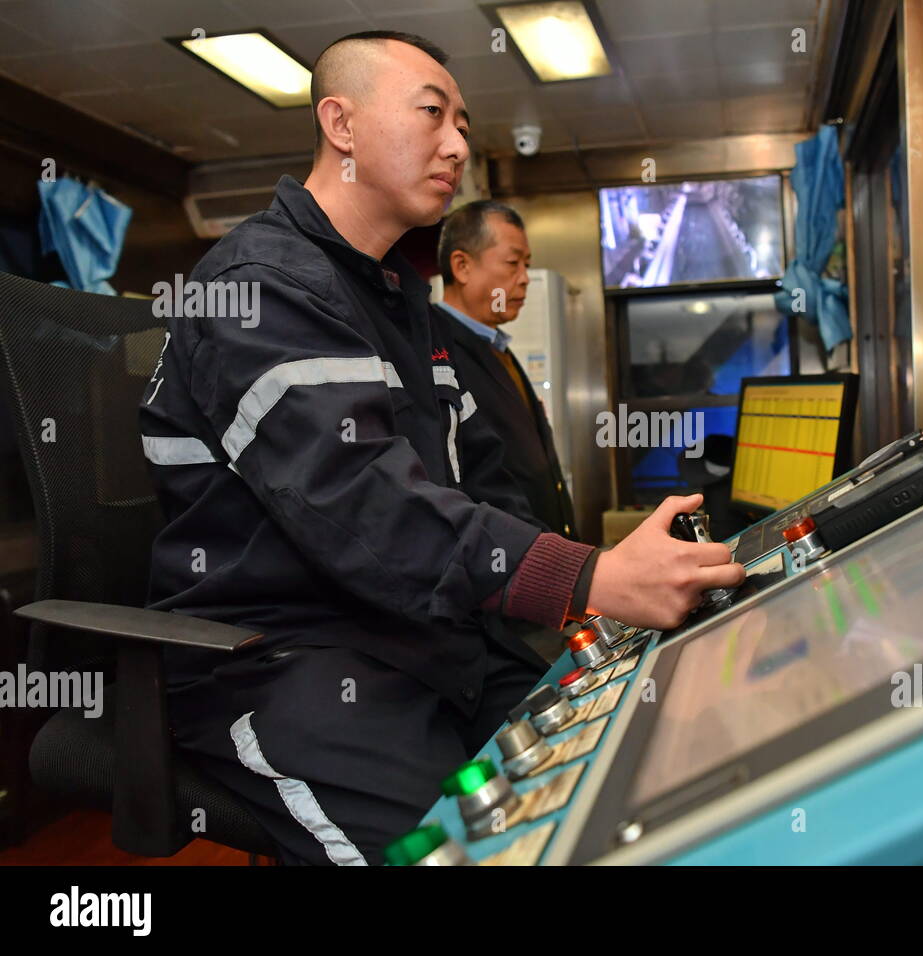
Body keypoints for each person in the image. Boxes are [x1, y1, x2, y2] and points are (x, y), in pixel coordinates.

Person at [137, 30, 744, 865]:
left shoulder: (398, 302)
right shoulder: (262, 286)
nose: (458, 144)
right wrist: (592, 577)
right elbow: (365, 510)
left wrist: (589, 582)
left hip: (422, 636)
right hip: (281, 658)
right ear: (340, 124)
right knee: (473, 853)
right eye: (433, 114)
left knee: (630, 774)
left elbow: (479, 483)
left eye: (463, 121)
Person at [435, 200, 576, 540]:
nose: (525, 279)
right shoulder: (438, 351)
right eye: (513, 264)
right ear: (462, 266)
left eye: (526, 265)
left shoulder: (498, 348)